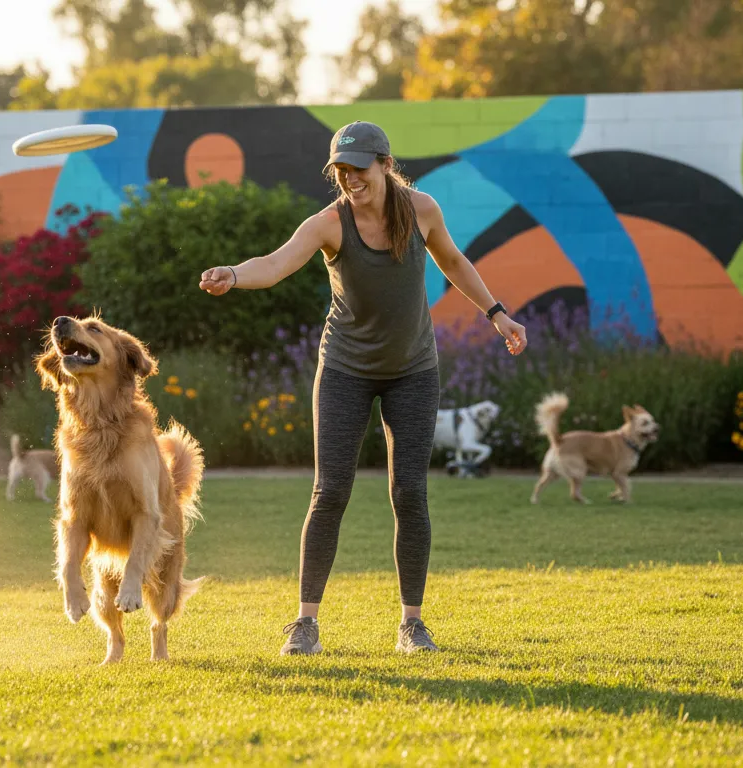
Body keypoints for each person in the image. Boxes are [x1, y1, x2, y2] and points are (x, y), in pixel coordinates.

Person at [198, 121, 528, 656]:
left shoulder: (422, 211)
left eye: (360, 169)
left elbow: (453, 262)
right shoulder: (330, 223)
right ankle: (305, 623)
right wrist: (234, 275)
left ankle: (412, 624)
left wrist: (497, 315)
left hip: (413, 371)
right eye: (342, 171)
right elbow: (277, 263)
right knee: (330, 492)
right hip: (346, 371)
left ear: (385, 164)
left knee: (410, 493)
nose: (351, 180)